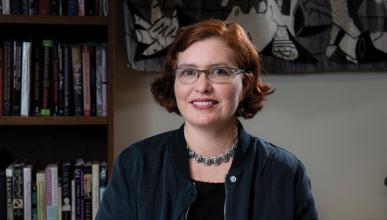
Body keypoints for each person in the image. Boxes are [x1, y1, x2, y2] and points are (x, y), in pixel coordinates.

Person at [96, 19, 318, 220]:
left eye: (219, 71)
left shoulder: (285, 172)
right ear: (174, 82)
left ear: (246, 84)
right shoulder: (134, 165)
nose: (202, 86)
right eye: (188, 72)